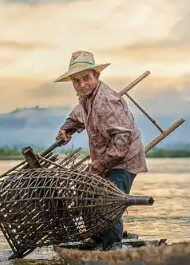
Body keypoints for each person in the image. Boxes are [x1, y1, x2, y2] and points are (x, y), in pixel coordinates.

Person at [54, 50, 148, 249]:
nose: (82, 84)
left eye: (86, 78)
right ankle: (100, 239)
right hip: (107, 159)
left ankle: (112, 247)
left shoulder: (105, 100)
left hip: (124, 160)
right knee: (90, 196)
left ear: (96, 76)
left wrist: (100, 165)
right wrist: (66, 128)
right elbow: (78, 115)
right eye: (76, 81)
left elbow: (123, 139)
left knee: (108, 203)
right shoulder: (86, 98)